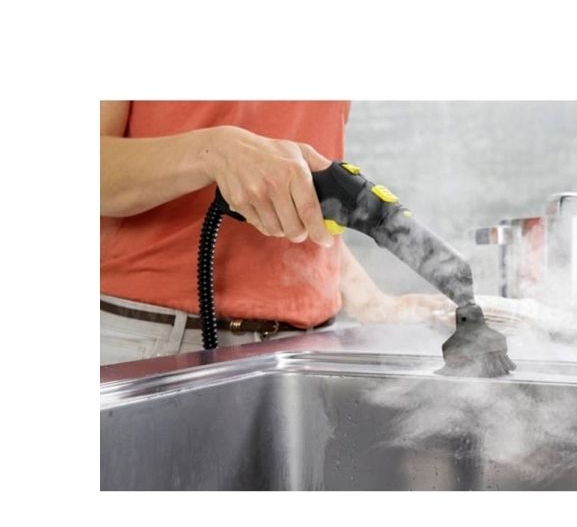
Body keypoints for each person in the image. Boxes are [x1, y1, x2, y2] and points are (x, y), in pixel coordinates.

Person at [100, 101, 450, 365]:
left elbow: (301, 197)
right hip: (161, 341)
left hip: (310, 344)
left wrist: (369, 300)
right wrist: (214, 151)